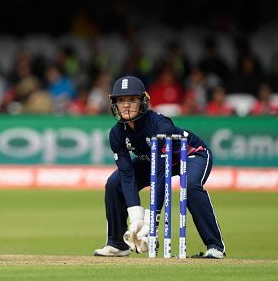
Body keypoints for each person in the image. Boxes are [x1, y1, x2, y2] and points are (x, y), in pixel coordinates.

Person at [94, 76, 226, 259]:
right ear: (114, 103)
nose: (126, 105)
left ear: (142, 102)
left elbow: (160, 174)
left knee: (189, 186)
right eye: (121, 100)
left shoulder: (160, 125)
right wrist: (136, 218)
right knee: (114, 183)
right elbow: (126, 174)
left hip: (190, 155)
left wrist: (151, 219)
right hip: (152, 160)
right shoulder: (116, 134)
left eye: (132, 100)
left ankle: (215, 247)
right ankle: (117, 244)